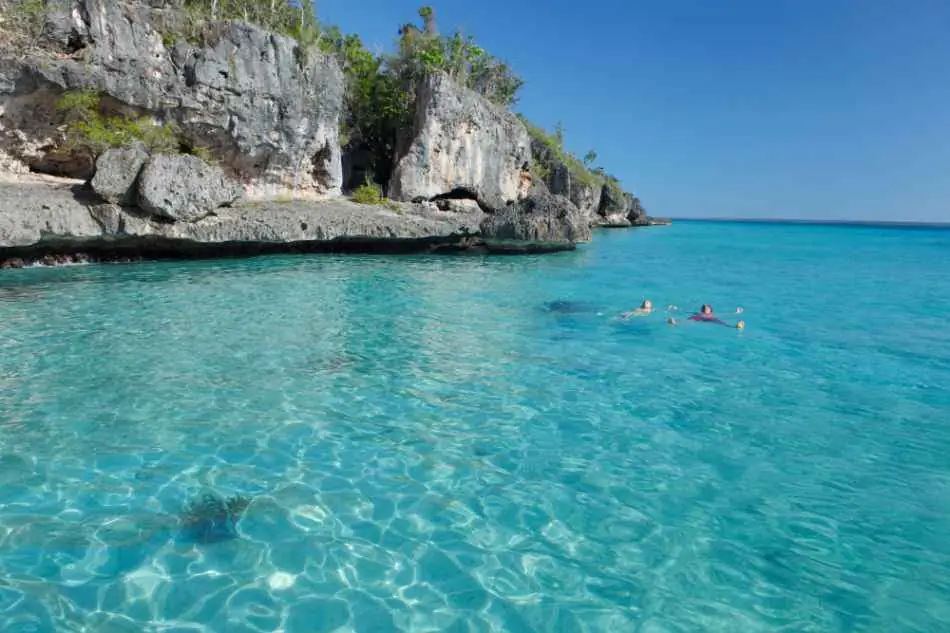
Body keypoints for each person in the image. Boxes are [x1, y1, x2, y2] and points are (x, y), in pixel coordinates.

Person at [668, 304, 745, 329]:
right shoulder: (698, 313)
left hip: (710, 319)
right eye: (704, 308)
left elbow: (725, 314)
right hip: (699, 318)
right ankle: (674, 322)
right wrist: (676, 308)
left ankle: (736, 326)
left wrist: (736, 312)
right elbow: (685, 311)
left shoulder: (712, 315)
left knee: (722, 323)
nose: (705, 309)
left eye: (707, 308)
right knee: (688, 319)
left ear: (710, 310)